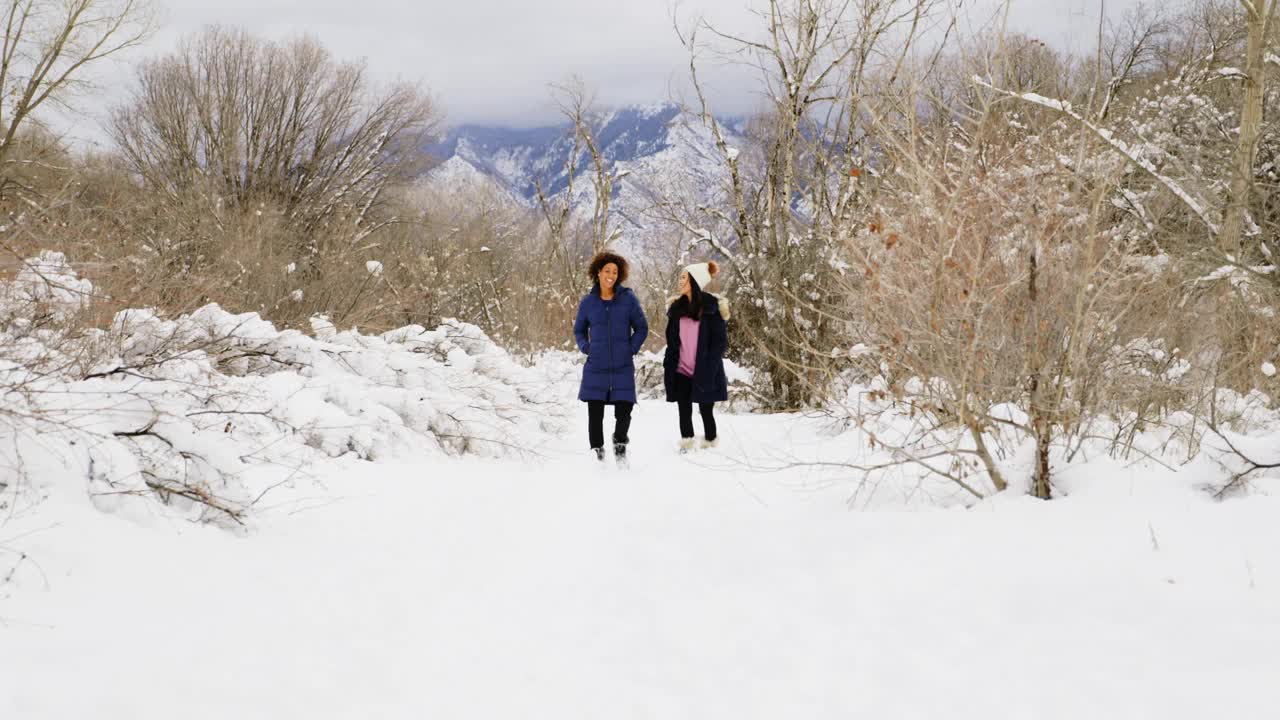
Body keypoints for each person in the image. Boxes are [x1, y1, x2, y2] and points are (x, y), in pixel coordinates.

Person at [574, 251, 649, 464]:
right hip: (595, 365)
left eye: (615, 272)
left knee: (624, 411)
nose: (611, 275)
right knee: (595, 414)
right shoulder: (588, 302)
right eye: (607, 270)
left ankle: (619, 444)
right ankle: (597, 455)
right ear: (598, 272)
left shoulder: (628, 299)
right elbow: (579, 330)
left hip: (622, 365)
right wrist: (586, 347)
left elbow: (642, 328)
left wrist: (630, 348)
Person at [663, 260, 729, 452]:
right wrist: (670, 364)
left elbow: (719, 343)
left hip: (705, 369)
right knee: (684, 410)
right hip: (681, 369)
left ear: (694, 281)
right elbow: (672, 341)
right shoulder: (676, 310)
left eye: (683, 277)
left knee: (705, 410)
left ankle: (709, 442)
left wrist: (709, 365)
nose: (680, 281)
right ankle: (687, 443)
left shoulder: (712, 309)